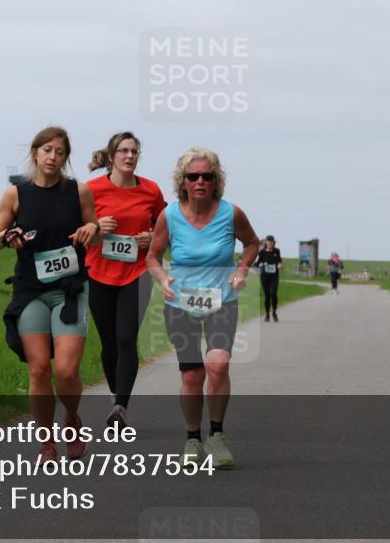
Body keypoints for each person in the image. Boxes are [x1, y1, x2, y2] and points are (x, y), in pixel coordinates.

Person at [0, 126, 99, 462]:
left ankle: (72, 419)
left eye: (60, 152)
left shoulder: (78, 192)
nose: (53, 157)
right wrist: (8, 236)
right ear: (35, 152)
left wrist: (91, 228)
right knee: (38, 370)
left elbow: (95, 234)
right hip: (31, 292)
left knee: (65, 371)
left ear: (66, 158)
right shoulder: (15, 194)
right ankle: (46, 442)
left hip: (69, 290)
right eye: (47, 150)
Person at [147, 147, 259, 469]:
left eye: (207, 177)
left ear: (216, 181)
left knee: (218, 364)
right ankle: (193, 438)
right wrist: (162, 279)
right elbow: (152, 257)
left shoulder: (231, 213)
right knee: (193, 374)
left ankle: (217, 435)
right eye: (193, 176)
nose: (200, 182)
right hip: (180, 302)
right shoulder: (169, 216)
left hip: (222, 300)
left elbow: (252, 243)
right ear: (182, 181)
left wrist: (241, 269)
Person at [85, 132, 166, 428]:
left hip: (137, 273)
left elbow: (165, 226)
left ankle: (121, 407)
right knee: (109, 342)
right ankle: (114, 395)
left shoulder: (151, 190)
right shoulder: (91, 190)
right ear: (111, 156)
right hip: (99, 272)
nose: (130, 156)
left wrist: (152, 238)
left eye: (134, 151)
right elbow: (76, 228)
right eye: (123, 151)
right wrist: (95, 227)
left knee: (126, 338)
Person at [255, 235, 282, 322]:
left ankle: (274, 312)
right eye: (268, 241)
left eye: (271, 242)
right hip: (265, 277)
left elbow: (279, 260)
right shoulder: (262, 252)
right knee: (267, 296)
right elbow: (257, 263)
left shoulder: (277, 251)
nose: (270, 243)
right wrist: (260, 264)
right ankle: (267, 314)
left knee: (274, 294)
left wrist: (279, 265)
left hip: (274, 276)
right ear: (266, 242)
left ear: (273, 242)